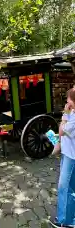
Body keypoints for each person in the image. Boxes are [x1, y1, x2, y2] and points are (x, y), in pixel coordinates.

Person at [49, 88, 75, 228]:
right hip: (68, 153)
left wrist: (65, 114)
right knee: (71, 187)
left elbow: (61, 130)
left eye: (68, 100)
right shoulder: (73, 112)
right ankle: (71, 218)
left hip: (72, 156)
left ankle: (64, 221)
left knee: (64, 187)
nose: (66, 102)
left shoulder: (73, 116)